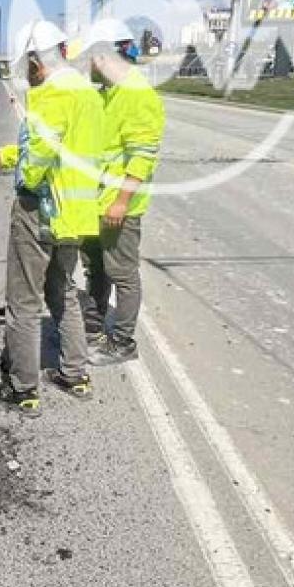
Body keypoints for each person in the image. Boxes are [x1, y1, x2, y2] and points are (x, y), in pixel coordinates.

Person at [0, 19, 106, 417]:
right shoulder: (88, 95)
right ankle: (75, 374)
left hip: (43, 210)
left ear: (37, 60)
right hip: (76, 214)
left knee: (23, 302)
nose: (28, 73)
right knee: (64, 292)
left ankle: (23, 389)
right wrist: (7, 153)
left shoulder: (51, 95)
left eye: (28, 64)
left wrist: (24, 176)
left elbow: (41, 158)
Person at [76, 38, 166, 364]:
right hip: (97, 202)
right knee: (96, 271)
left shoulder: (137, 94)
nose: (89, 71)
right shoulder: (110, 93)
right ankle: (95, 328)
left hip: (118, 206)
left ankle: (123, 341)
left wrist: (121, 201)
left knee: (122, 274)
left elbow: (142, 155)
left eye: (90, 63)